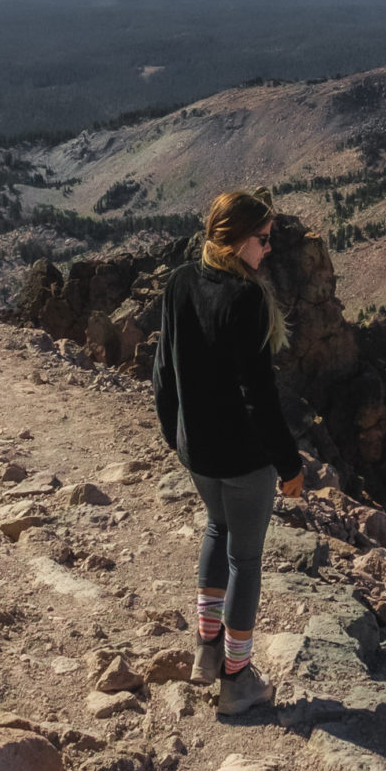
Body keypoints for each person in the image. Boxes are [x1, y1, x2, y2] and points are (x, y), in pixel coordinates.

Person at [151, 188, 305, 716]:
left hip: (198, 452)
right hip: (242, 458)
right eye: (262, 240)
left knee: (217, 530)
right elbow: (258, 399)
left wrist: (177, 437)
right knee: (246, 557)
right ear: (237, 240)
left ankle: (206, 651)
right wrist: (289, 466)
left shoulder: (180, 282)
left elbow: (163, 370)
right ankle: (237, 680)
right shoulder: (246, 300)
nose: (268, 250)